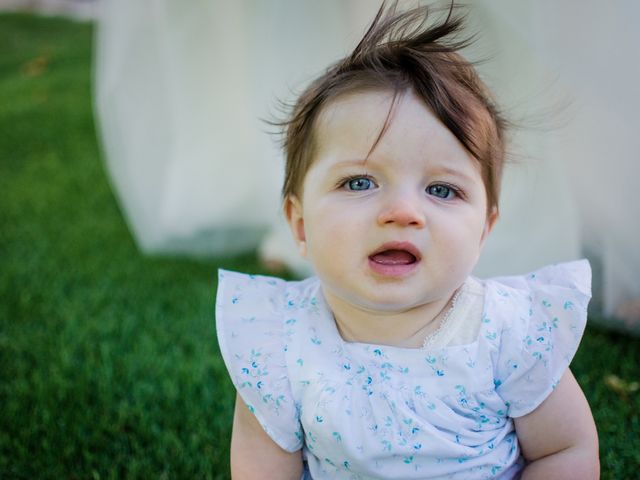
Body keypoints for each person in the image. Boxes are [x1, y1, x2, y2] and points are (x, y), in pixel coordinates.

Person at [215, 3, 599, 478]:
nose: (402, 213)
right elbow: (262, 468)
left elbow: (564, 450)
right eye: (359, 182)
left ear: (483, 230)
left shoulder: (509, 332)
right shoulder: (277, 343)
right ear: (299, 225)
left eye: (441, 190)